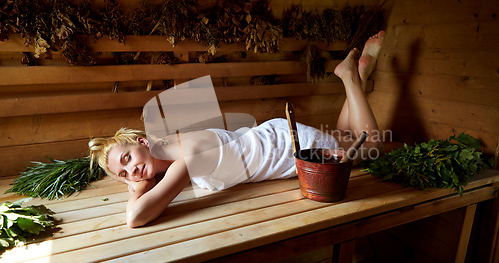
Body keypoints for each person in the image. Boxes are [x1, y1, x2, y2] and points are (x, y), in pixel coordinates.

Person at [89, 31, 385, 228]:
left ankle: (348, 76)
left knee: (371, 147)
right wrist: (138, 178)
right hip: (277, 137)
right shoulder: (167, 148)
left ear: (141, 140)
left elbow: (136, 217)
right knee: (344, 137)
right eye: (123, 174)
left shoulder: (185, 159)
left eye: (127, 159)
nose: (133, 173)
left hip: (289, 147)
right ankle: (359, 74)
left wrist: (136, 189)